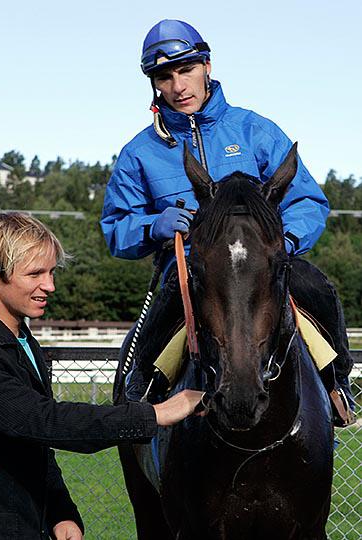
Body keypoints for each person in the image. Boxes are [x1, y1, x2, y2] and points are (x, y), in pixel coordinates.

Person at [101, 19, 355, 423]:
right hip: (190, 270)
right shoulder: (139, 153)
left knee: (317, 286)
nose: (178, 86)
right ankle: (141, 398)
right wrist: (151, 226)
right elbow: (116, 228)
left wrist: (286, 243)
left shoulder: (255, 130)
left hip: (265, 265)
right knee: (158, 318)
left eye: (186, 70)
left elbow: (306, 199)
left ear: (207, 66)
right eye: (165, 77)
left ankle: (337, 383)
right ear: (154, 84)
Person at [0, 212, 205, 540]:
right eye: (35, 274)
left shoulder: (21, 341)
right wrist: (156, 414)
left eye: (51, 272)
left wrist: (60, 511)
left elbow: (34, 444)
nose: (50, 286)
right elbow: (43, 422)